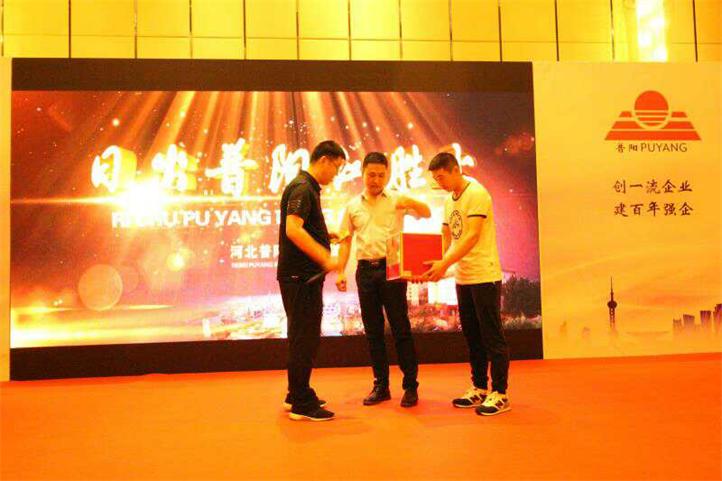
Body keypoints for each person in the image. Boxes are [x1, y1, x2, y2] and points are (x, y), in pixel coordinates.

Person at [336, 152, 431, 407]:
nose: (376, 179)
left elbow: (426, 212)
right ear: (363, 174)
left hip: (392, 269)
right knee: (373, 332)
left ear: (387, 175)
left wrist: (411, 201)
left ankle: (410, 386)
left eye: (380, 175)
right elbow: (345, 241)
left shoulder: (397, 199)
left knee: (401, 328)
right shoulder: (352, 206)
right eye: (371, 175)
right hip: (365, 271)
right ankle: (381, 386)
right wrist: (340, 271)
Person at [422, 152, 511, 416]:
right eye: (435, 179)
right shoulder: (448, 200)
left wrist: (444, 264)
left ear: (455, 170)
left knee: (492, 336)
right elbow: (446, 237)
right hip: (463, 276)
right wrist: (433, 263)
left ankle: (500, 393)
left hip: (484, 275)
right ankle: (479, 387)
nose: (439, 183)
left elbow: (471, 236)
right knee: (472, 335)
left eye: (441, 177)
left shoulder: (477, 193)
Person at [277, 140, 346, 421]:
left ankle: (296, 393)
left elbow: (302, 226)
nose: (336, 174)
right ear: (325, 160)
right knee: (304, 339)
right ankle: (302, 404)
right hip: (301, 278)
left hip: (302, 277)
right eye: (337, 167)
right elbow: (293, 230)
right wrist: (325, 257)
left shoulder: (306, 187)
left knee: (302, 337)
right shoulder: (303, 188)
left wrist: (324, 236)